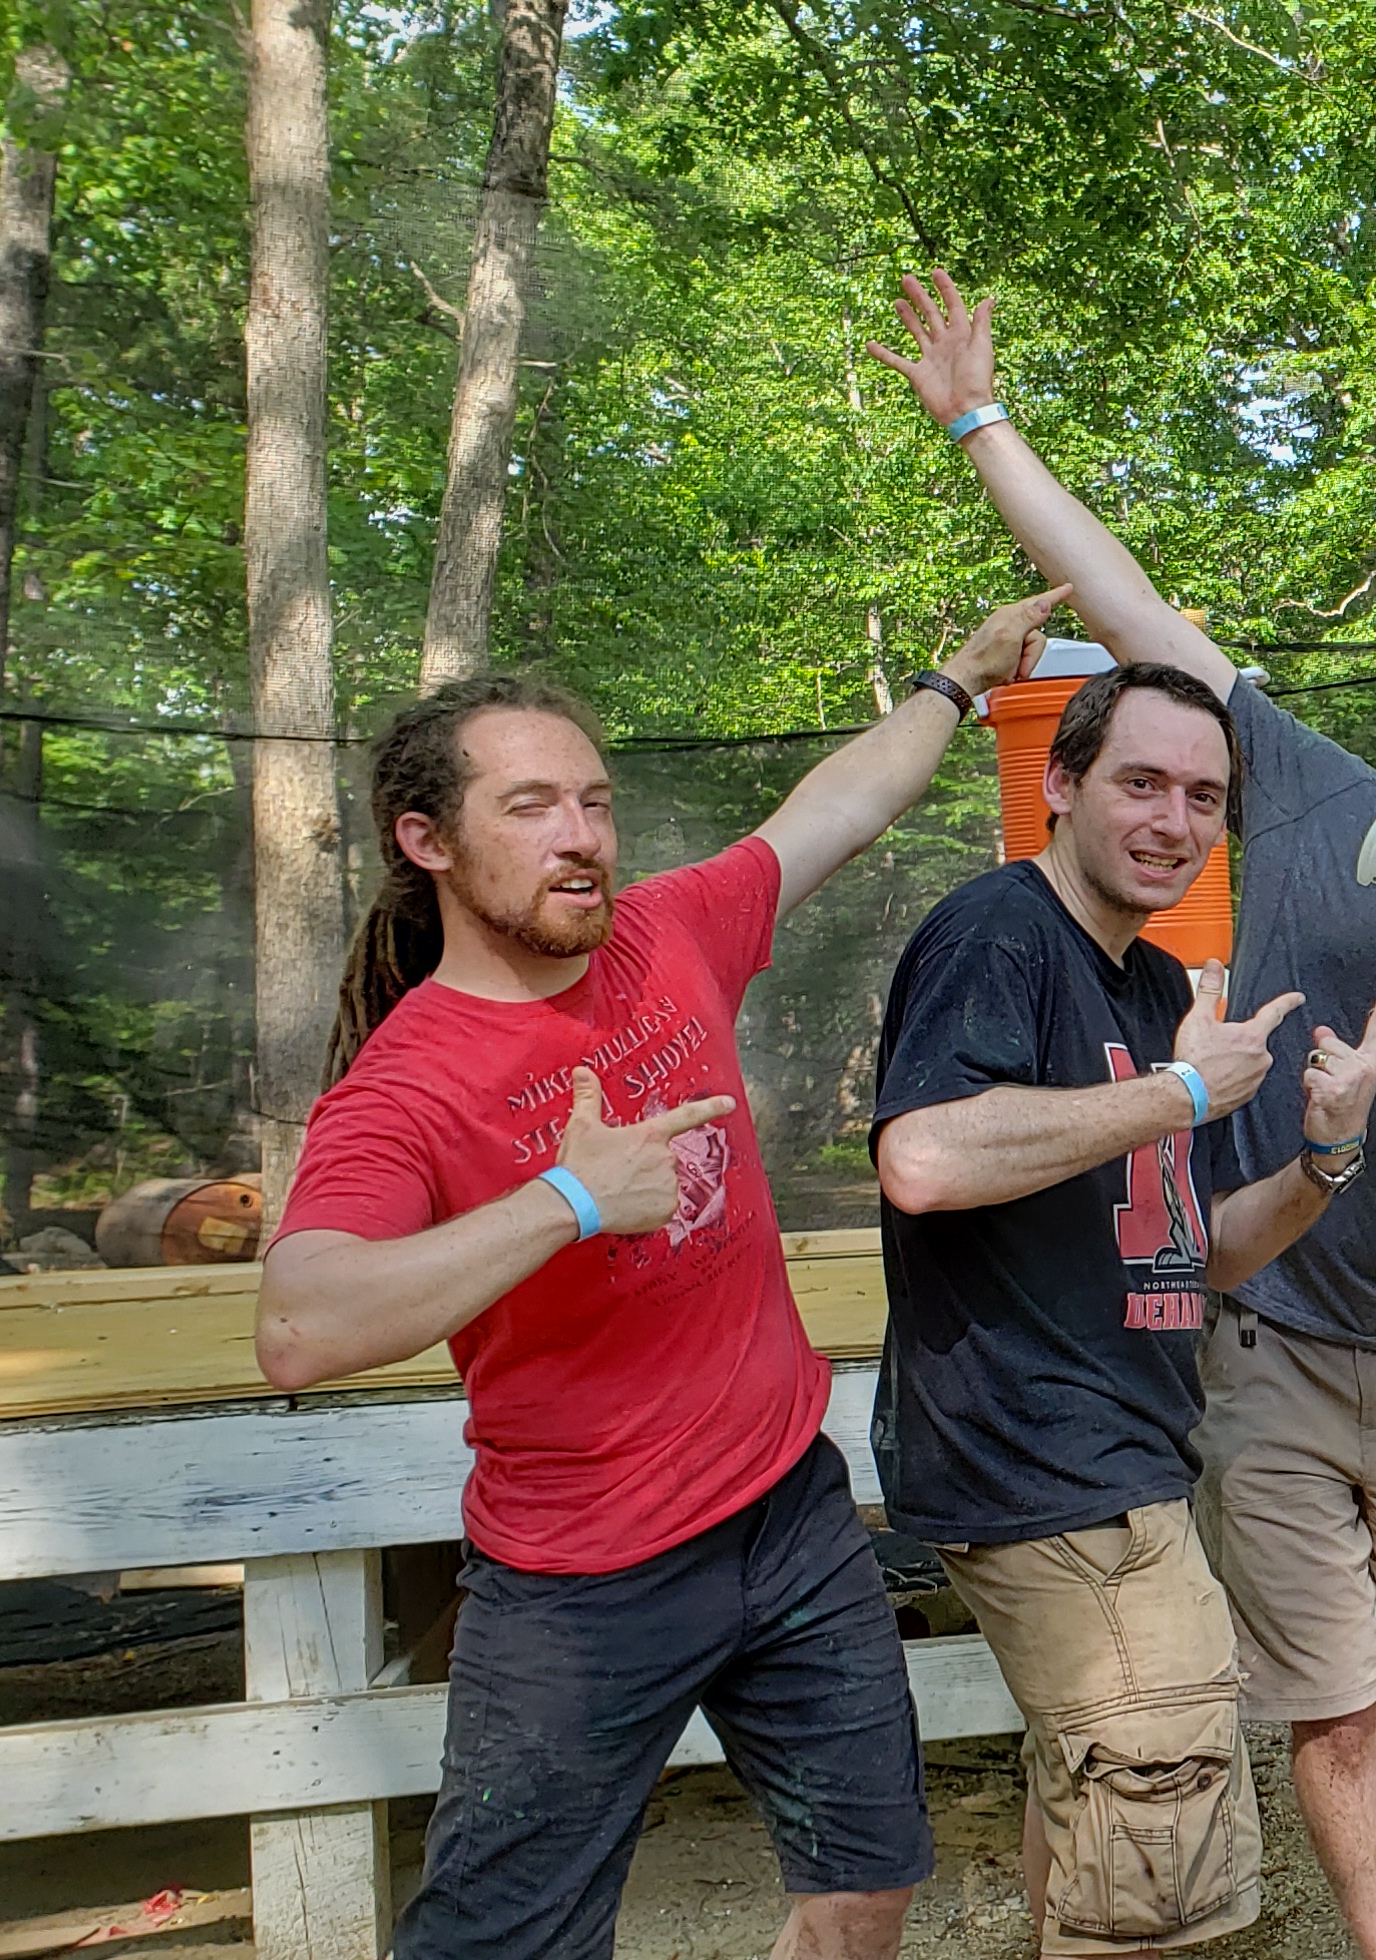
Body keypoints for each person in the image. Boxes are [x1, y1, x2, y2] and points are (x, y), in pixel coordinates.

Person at [870, 272, 1376, 1952]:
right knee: (1321, 1698)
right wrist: (981, 423)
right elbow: (1129, 607)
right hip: (1256, 1328)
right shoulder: (1316, 788)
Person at [252, 593, 1060, 1960]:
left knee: (867, 1884)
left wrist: (959, 681)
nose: (580, 834)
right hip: (581, 1580)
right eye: (530, 807)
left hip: (788, 1515)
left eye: (594, 801)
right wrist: (568, 1201)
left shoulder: (665, 933)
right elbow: (298, 1324)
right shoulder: (405, 1085)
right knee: (503, 1946)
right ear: (426, 841)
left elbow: (837, 809)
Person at [873, 661, 1376, 1956]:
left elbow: (1200, 1249)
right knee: (1163, 1864)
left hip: (1130, 1462)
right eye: (1143, 783)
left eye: (1205, 797)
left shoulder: (1160, 990)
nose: (1175, 820)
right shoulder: (998, 933)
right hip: (1044, 1461)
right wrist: (1181, 1092)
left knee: (1099, 1813)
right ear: (1060, 784)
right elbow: (925, 1158)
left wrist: (1328, 1153)